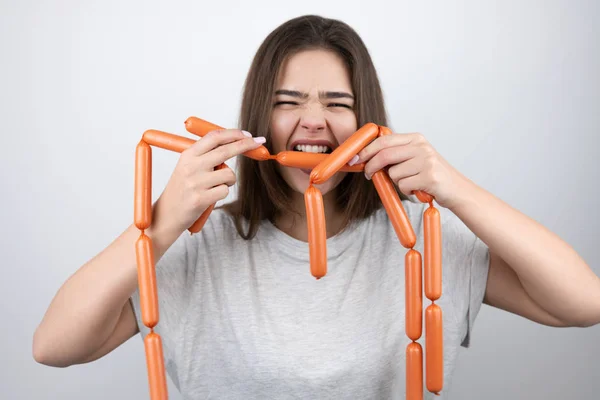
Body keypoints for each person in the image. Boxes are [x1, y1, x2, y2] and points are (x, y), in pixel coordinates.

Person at [32, 14, 600, 400]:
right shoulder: (195, 247)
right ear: (258, 121)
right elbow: (54, 347)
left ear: (367, 120)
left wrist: (454, 188)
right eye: (287, 102)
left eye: (337, 103)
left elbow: (582, 303)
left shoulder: (424, 241)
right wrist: (160, 224)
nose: (313, 120)